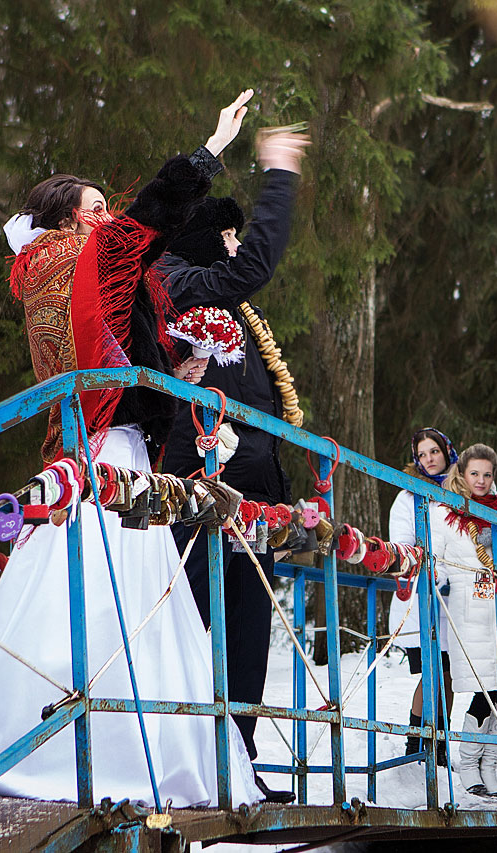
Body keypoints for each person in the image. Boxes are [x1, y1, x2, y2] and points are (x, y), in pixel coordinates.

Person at [0, 93, 264, 807]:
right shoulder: (91, 253)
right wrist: (210, 147)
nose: (104, 213)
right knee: (130, 586)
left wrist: (170, 374)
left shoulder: (41, 272)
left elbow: (105, 341)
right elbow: (151, 213)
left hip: (77, 437)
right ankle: (131, 757)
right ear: (64, 218)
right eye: (91, 205)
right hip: (113, 446)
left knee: (60, 582)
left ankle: (1, 736)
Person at [156, 127, 309, 804]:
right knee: (189, 625)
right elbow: (250, 265)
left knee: (247, 636)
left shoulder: (235, 312)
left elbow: (257, 405)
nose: (234, 247)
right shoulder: (178, 282)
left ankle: (238, 763)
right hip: (196, 492)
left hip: (253, 497)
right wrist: (279, 175)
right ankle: (182, 764)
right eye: (227, 236)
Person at [432, 444, 497, 797]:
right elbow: (437, 560)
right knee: (484, 692)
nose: (480, 480)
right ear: (461, 473)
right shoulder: (444, 514)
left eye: (487, 474)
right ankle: (468, 762)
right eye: (474, 473)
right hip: (470, 615)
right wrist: (439, 579)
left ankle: (491, 765)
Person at [387, 427, 458, 763]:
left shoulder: (461, 487)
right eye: (423, 454)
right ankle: (418, 742)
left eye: (435, 452)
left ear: (446, 451)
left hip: (458, 596)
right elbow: (400, 542)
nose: (430, 460)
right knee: (433, 673)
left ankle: (440, 744)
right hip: (423, 594)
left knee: (451, 674)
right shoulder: (407, 496)